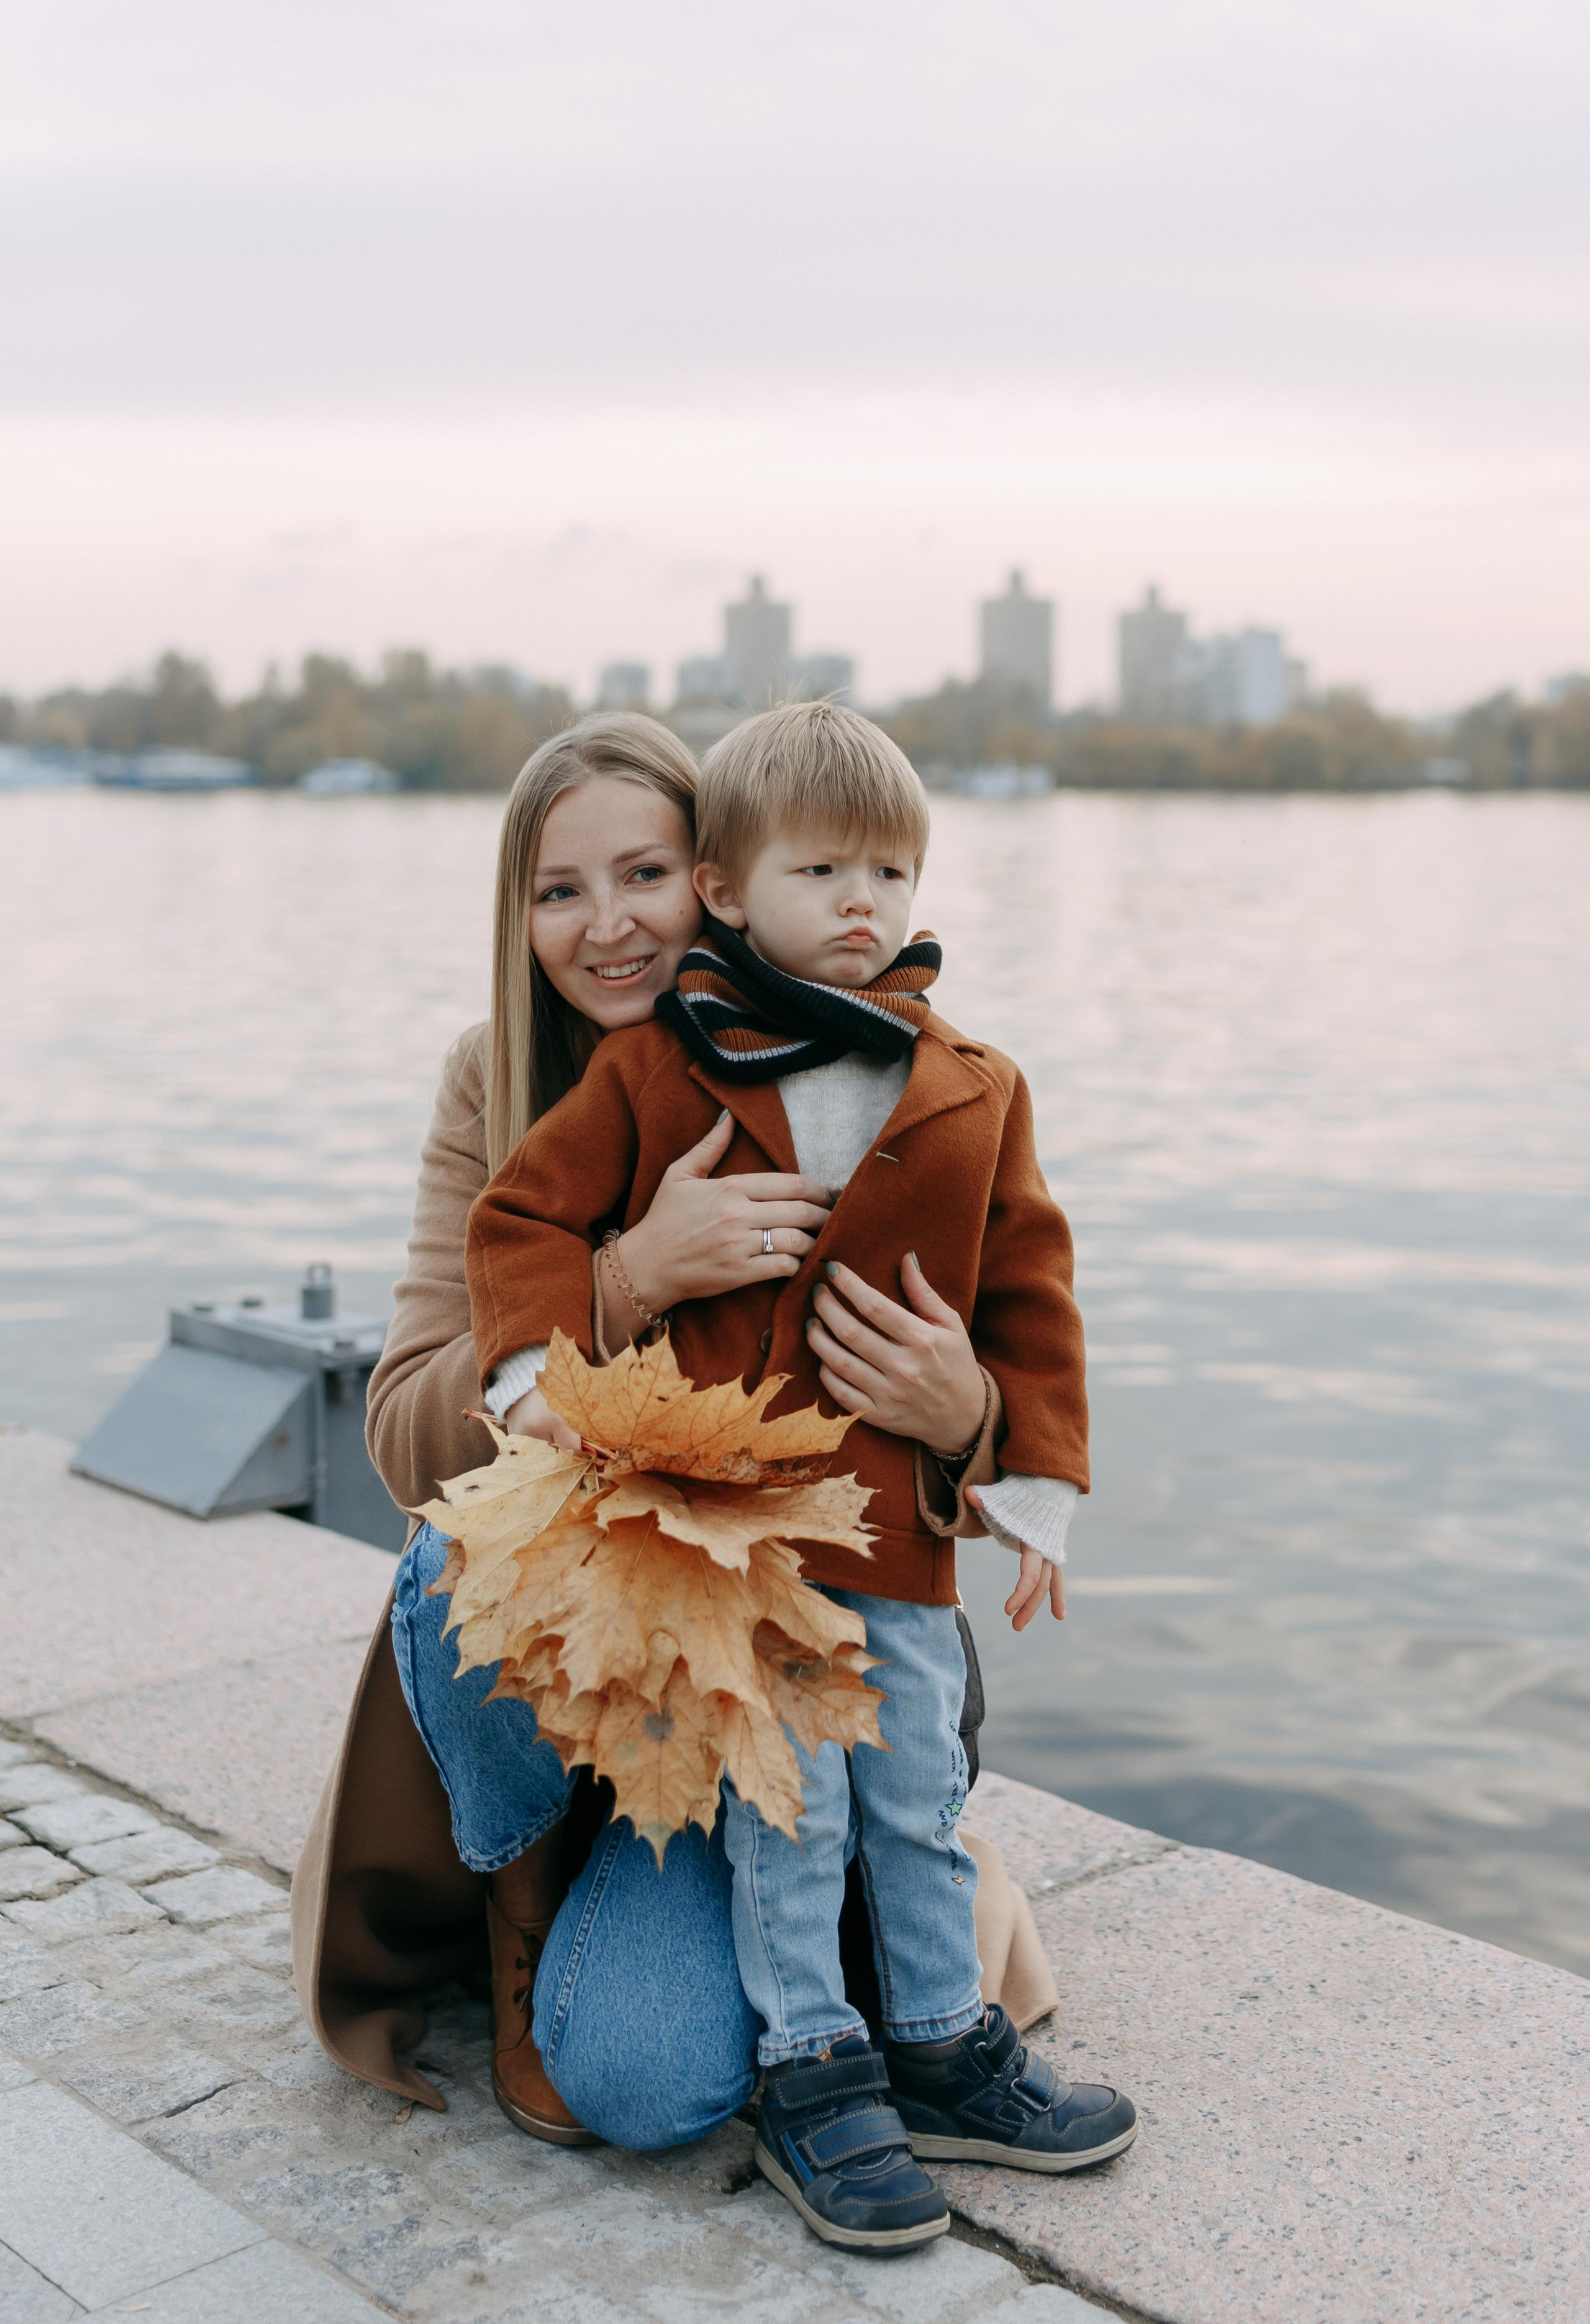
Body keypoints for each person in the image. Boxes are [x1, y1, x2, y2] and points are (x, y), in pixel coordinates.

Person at [291, 709, 1061, 2155]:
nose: (607, 928)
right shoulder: (494, 1082)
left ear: (717, 877)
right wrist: (633, 1276)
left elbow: (1003, 1322)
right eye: (557, 891)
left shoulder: (866, 1062)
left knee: (651, 2086)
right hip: (557, 1669)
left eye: (640, 873)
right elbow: (406, 1439)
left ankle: (823, 1904)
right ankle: (522, 1905)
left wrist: (967, 1413)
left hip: (756, 1664)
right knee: (454, 1545)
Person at [466, 702, 1137, 2250]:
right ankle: (809, 2069)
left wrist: (1022, 1478)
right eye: (822, 866)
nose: (861, 902)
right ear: (731, 888)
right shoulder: (656, 1066)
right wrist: (548, 1367)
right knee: (792, 1813)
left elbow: (1029, 1294)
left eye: (889, 871)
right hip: (732, 1547)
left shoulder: (972, 1081)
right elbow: (517, 1225)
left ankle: (938, 2040)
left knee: (912, 1796)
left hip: (892, 1541)